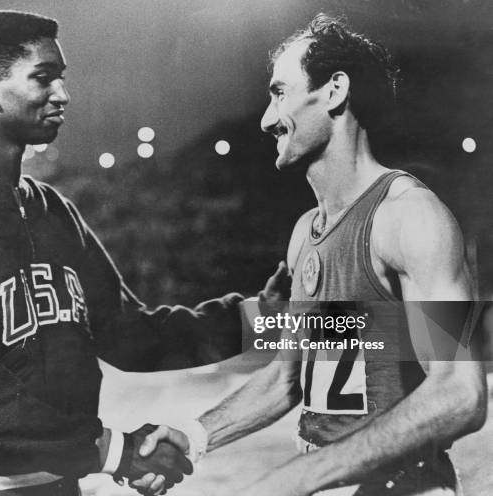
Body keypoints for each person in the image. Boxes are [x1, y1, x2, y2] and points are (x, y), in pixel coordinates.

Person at [0, 10, 247, 496]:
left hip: (56, 482)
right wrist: (114, 451)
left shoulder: (52, 209)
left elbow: (130, 333)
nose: (63, 94)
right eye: (43, 78)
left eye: (62, 78)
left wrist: (262, 320)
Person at [139, 14, 487, 495]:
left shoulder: (410, 216)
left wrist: (300, 476)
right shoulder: (306, 232)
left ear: (334, 91)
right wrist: (193, 436)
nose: (265, 118)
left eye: (279, 92)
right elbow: (287, 378)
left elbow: (459, 394)